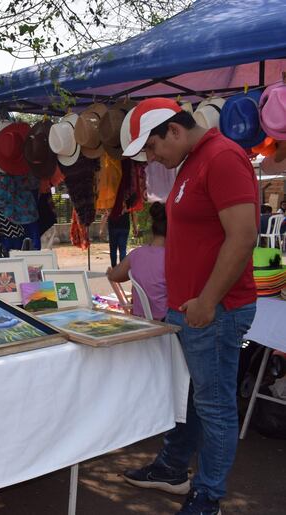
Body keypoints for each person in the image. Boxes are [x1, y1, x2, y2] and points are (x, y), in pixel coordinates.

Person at [120, 98, 258, 515]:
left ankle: (208, 496)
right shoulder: (192, 162)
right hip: (194, 308)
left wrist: (208, 301)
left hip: (213, 310)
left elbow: (244, 236)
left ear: (174, 131)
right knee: (189, 396)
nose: (151, 158)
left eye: (153, 147)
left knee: (213, 405)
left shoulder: (222, 158)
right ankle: (173, 467)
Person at [106, 202, 167, 321]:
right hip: (166, 321)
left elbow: (113, 275)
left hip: (141, 319)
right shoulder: (173, 257)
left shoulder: (137, 254)